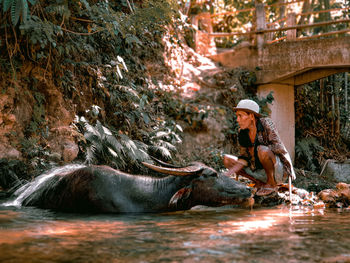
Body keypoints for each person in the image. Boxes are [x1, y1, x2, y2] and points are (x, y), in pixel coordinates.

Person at [223, 99, 295, 196]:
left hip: (277, 171)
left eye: (240, 116)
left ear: (251, 116)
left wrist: (257, 149)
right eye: (237, 116)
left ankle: (271, 184)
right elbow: (243, 158)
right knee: (227, 159)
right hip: (256, 169)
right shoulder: (242, 132)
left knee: (262, 150)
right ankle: (259, 182)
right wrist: (226, 175)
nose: (237, 120)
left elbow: (278, 147)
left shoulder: (266, 124)